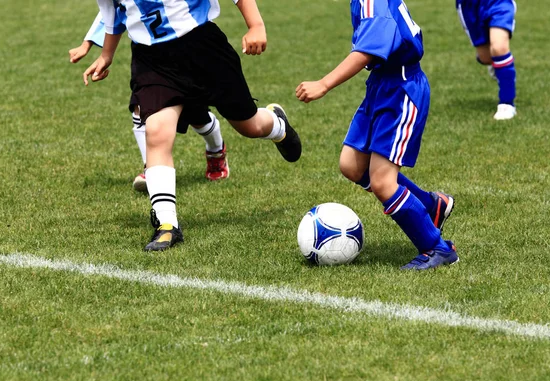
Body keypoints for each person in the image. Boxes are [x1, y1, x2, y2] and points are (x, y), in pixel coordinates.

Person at [82, 0, 301, 251]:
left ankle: (277, 124)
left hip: (202, 47)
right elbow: (112, 13)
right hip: (152, 60)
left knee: (248, 126)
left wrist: (256, 25)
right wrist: (106, 55)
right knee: (156, 131)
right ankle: (167, 225)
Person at [295, 0, 457, 270]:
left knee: (382, 182)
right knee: (352, 164)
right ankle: (431, 206)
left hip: (401, 89)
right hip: (381, 86)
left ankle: (438, 249)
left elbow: (368, 50)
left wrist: (323, 84)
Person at [69, 12, 229, 191]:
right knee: (141, 107)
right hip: (148, 55)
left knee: (196, 116)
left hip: (188, 48)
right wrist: (88, 43)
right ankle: (150, 167)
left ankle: (216, 150)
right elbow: (114, 9)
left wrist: (255, 26)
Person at [456, 0, 517, 120]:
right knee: (486, 58)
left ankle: (507, 103)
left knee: (499, 48)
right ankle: (499, 67)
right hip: (469, 6)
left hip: (498, 3)